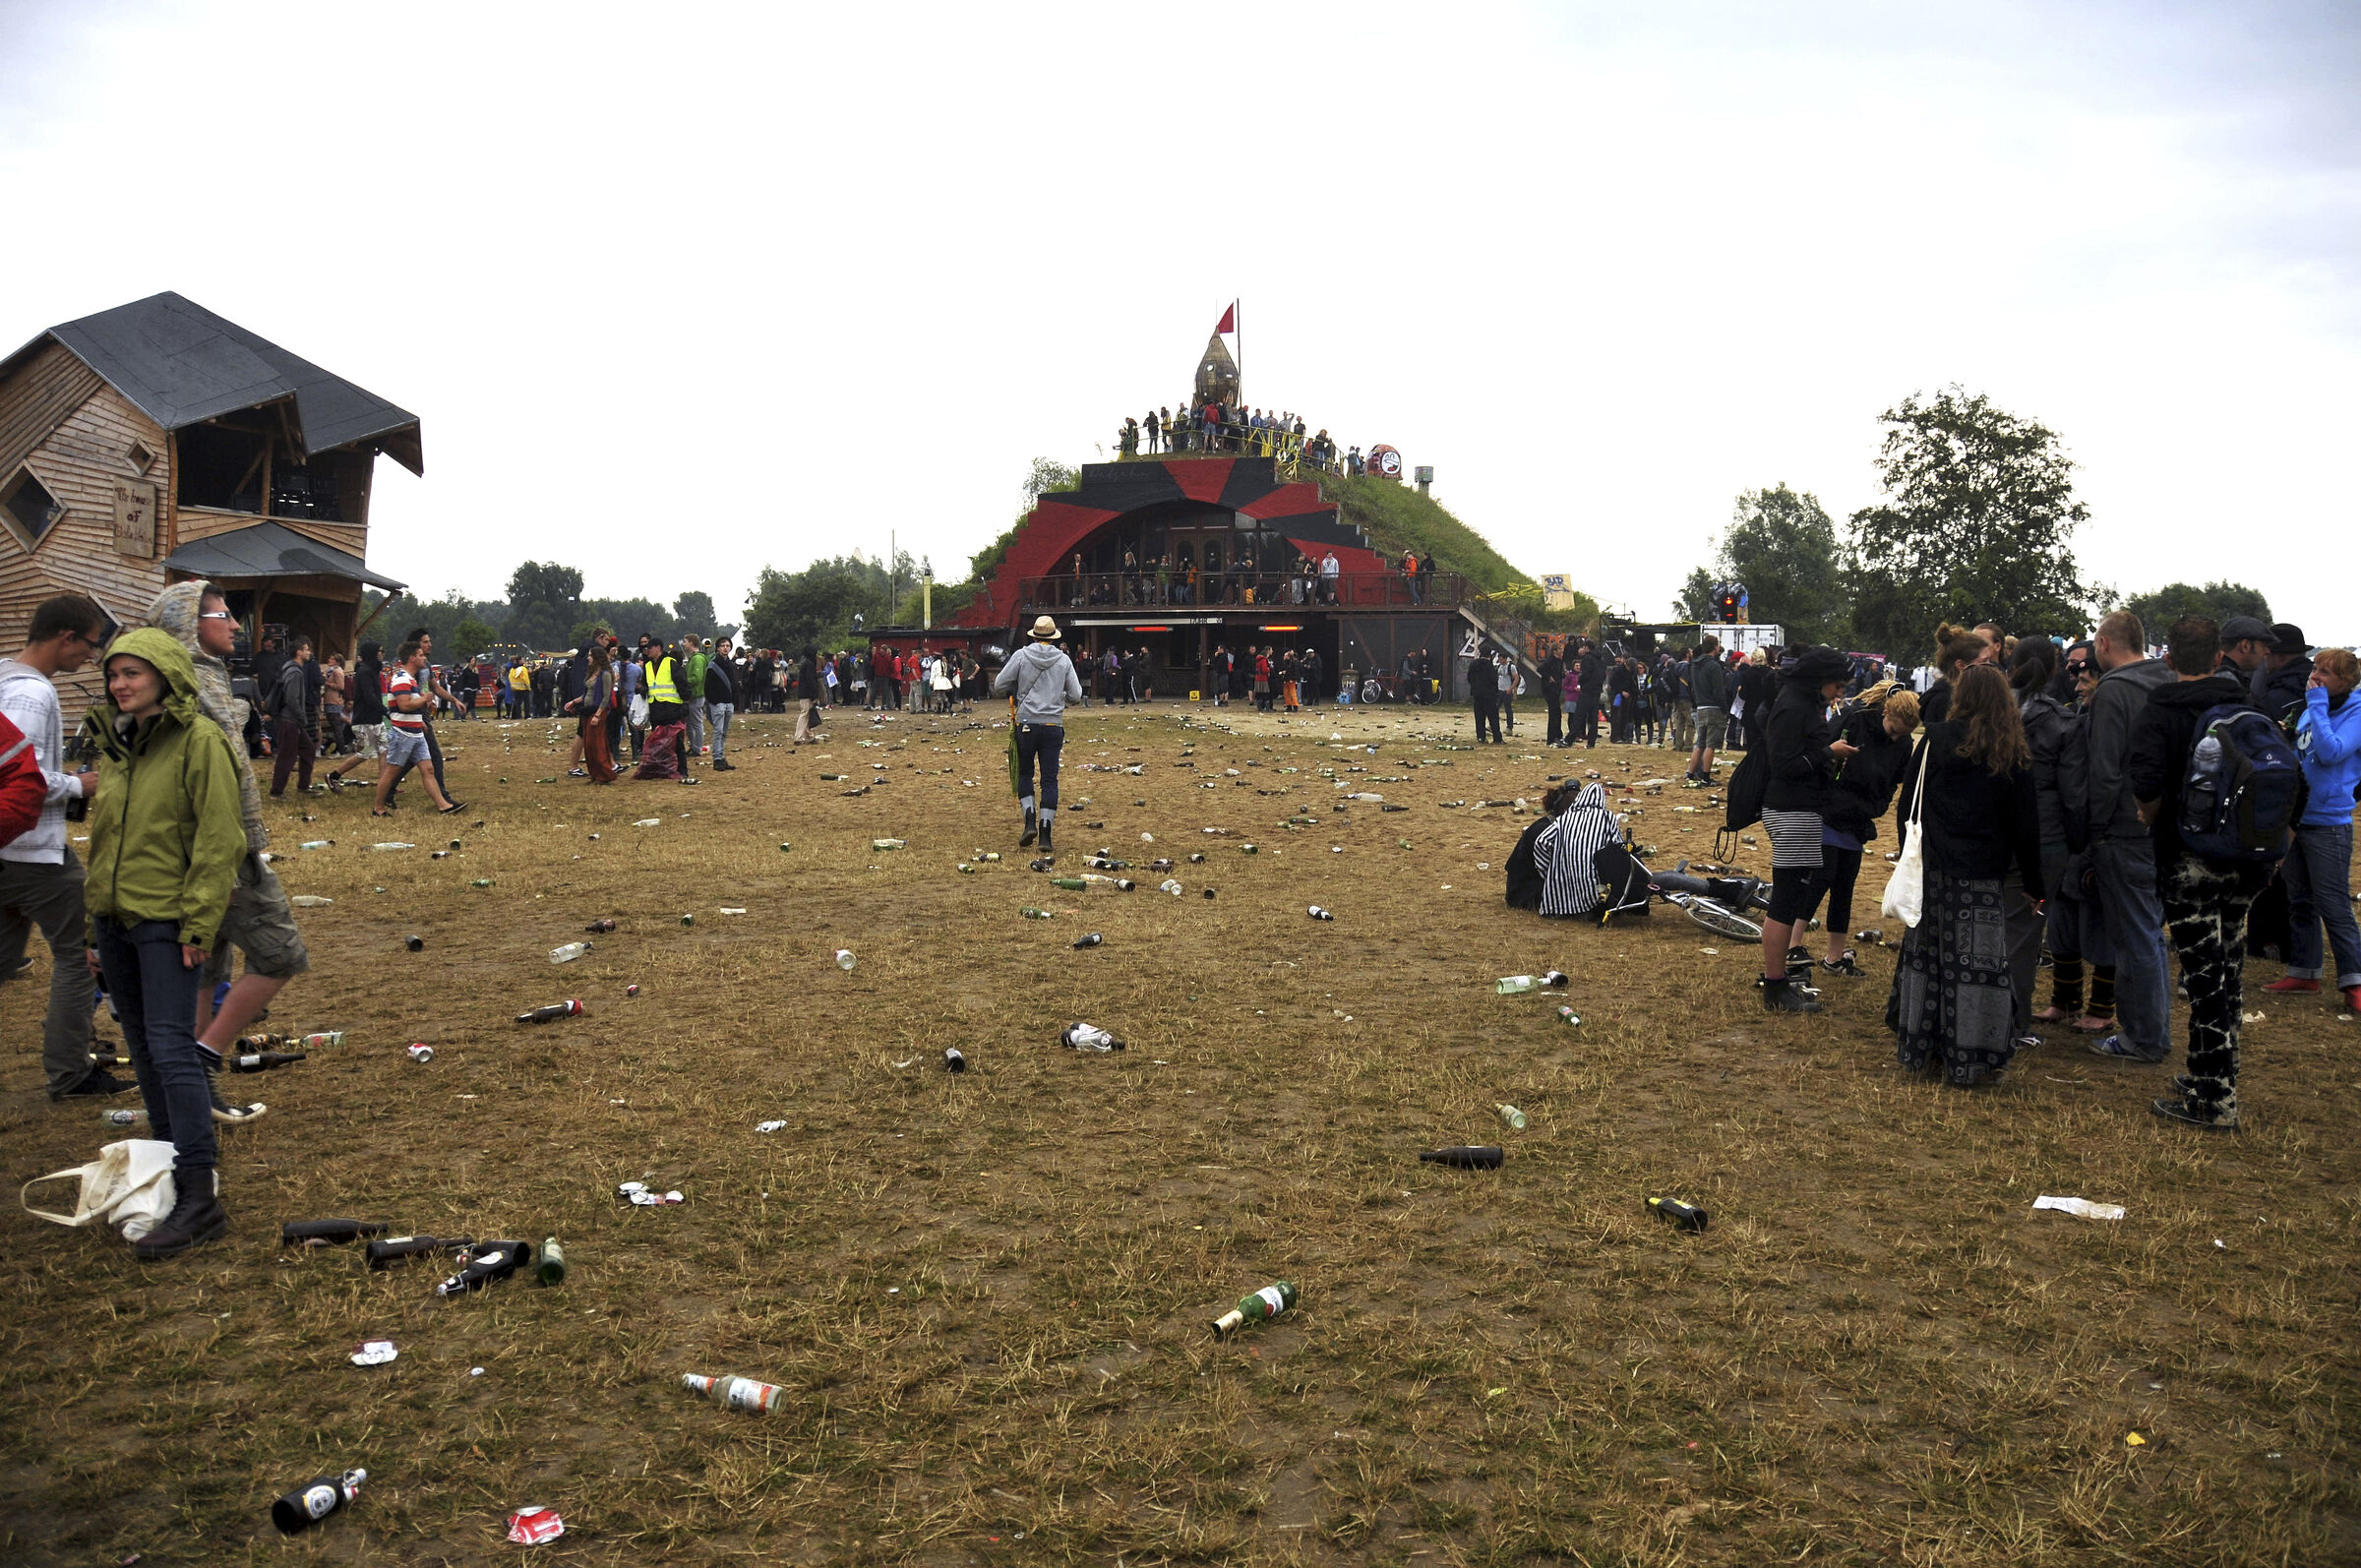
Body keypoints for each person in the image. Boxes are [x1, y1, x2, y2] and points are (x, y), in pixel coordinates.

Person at [83, 627, 246, 1256]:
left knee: (174, 1049)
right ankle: (168, 1172)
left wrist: (199, 923)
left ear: (166, 675)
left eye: (133, 673)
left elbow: (219, 837)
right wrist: (94, 924)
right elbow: (107, 836)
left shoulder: (200, 741)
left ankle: (201, 1197)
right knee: (145, 1049)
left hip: (168, 920)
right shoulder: (118, 743)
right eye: (113, 674)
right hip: (115, 919)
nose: (120, 685)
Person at [143, 583, 310, 1103]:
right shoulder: (186, 683)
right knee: (281, 955)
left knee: (204, 964)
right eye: (222, 616)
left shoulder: (200, 677)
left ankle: (193, 1087)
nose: (237, 625)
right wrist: (220, 860)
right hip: (220, 849)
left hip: (212, 849)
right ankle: (203, 1055)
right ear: (186, 624)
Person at [2127, 616, 2280, 1129]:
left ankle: (2213, 1102)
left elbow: (2145, 782)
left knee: (2203, 978)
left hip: (2188, 860)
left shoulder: (2159, 710)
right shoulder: (2247, 706)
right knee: (2228, 970)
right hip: (2245, 858)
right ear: (2219, 657)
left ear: (2169, 659)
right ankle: (2214, 1074)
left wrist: (2156, 819)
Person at [1887, 664, 2043, 1083]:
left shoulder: (1934, 740)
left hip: (1934, 870)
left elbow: (1908, 806)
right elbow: (2026, 824)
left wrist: (1908, 856)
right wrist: (2034, 884)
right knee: (1976, 970)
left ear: (1962, 697)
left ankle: (1923, 1050)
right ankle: (1973, 1058)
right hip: (1982, 876)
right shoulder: (2010, 749)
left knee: (1928, 962)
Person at [0, 595, 111, 1099]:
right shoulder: (31, 693)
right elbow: (17, 777)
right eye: (89, 645)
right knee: (82, 954)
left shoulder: (5, 676)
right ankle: (71, 1072)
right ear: (66, 637)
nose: (90, 656)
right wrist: (75, 785)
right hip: (32, 852)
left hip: (9, 848)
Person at [2083, 610, 2176, 1064]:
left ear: (2103, 644)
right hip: (2163, 824)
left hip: (2123, 826)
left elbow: (2104, 771)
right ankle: (2153, 1028)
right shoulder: (2168, 680)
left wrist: (2094, 828)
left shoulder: (2114, 690)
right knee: (2151, 933)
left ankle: (2144, 1036)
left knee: (2135, 936)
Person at [1758, 645, 1858, 1013]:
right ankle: (1775, 985)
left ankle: (1777, 979)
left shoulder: (1798, 702)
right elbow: (1784, 764)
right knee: (1785, 901)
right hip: (1792, 809)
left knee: (1790, 898)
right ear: (1820, 680)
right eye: (1837, 686)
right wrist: (1828, 752)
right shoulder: (1794, 706)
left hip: (1799, 809)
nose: (1838, 694)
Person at [2267, 647, 2360, 1010]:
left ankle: (2355, 981)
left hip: (2328, 823)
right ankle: (2305, 972)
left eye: (2326, 673)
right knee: (2299, 900)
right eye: (2315, 670)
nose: (2315, 677)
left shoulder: (2355, 712)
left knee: (2333, 904)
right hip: (2297, 819)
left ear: (2346, 681)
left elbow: (2330, 752)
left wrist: (2317, 705)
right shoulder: (2309, 708)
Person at [1813, 684, 1919, 977]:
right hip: (1829, 812)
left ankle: (1834, 957)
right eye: (1893, 730)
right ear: (1886, 713)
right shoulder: (1854, 720)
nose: (1895, 738)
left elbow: (1895, 779)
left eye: (1902, 735)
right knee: (1818, 881)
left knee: (1844, 887)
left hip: (1859, 819)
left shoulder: (1903, 743)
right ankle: (1793, 947)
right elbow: (1822, 754)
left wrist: (1879, 804)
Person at [2036, 646, 2116, 1034]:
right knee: (2062, 920)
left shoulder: (2110, 720)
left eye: (2086, 679)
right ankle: (2064, 1000)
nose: (2079, 686)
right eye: (2078, 678)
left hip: (2100, 834)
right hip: (2072, 834)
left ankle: (2101, 1007)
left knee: (2099, 922)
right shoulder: (2078, 715)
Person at [994, 616, 1084, 854]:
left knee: (1025, 773)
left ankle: (1029, 821)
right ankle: (1045, 835)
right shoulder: (1063, 660)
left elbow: (999, 684)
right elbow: (1076, 695)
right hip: (1053, 725)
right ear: (1054, 637)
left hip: (1026, 724)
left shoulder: (1021, 656)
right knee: (1049, 780)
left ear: (1033, 635)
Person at [372, 642, 463, 815]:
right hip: (402, 734)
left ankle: (444, 806)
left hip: (416, 733)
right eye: (421, 655)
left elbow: (411, 705)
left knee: (428, 770)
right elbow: (404, 705)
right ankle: (378, 808)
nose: (424, 658)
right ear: (412, 658)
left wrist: (423, 710)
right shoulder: (401, 679)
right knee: (391, 773)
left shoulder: (410, 679)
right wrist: (425, 699)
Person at [267, 635, 318, 797]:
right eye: (307, 649)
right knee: (287, 756)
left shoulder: (289, 669)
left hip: (291, 720)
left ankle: (304, 786)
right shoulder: (295, 672)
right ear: (299, 652)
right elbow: (291, 699)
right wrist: (301, 717)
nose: (309, 652)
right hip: (290, 720)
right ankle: (276, 791)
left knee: (308, 750)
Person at [2251, 623, 2314, 724]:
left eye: (2266, 655)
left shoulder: (2273, 698)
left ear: (2280, 658)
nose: (2263, 659)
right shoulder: (2325, 684)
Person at [1685, 637, 1728, 784]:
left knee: (1700, 743)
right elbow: (1718, 690)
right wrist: (1724, 708)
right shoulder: (1714, 666)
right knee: (1711, 744)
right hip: (1713, 708)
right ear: (1715, 647)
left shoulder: (1694, 665)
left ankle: (1691, 774)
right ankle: (1706, 777)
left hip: (1700, 707)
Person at [703, 638, 738, 769]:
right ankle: (717, 759)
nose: (725, 648)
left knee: (724, 732)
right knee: (718, 731)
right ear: (717, 648)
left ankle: (722, 757)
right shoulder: (713, 665)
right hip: (718, 703)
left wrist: (733, 701)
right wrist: (715, 701)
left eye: (727, 646)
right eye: (722, 645)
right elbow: (708, 687)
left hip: (729, 703)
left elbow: (734, 683)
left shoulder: (731, 665)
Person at [1468, 643, 1502, 744]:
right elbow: (1494, 679)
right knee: (1493, 717)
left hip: (1477, 694)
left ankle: (1481, 737)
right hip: (1489, 695)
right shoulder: (1489, 665)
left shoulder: (1473, 664)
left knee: (1479, 717)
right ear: (1489, 654)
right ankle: (1497, 738)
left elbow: (1469, 678)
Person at [1539, 640, 1565, 748]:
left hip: (1557, 689)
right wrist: (1549, 677)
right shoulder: (1550, 660)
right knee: (1553, 713)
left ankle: (1558, 735)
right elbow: (1540, 669)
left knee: (1557, 713)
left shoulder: (1559, 661)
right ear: (1554, 651)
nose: (1562, 651)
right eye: (1560, 649)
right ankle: (1551, 738)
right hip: (1550, 690)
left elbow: (1559, 674)